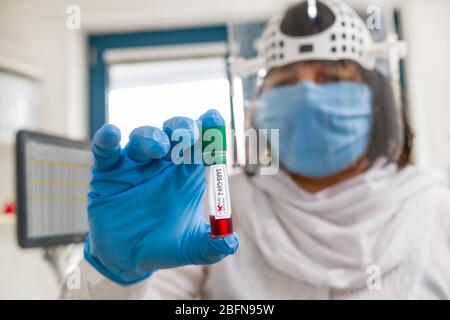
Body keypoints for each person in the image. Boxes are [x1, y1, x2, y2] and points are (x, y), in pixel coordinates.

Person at [62, 0, 450, 299]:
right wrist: (113, 275)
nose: (308, 97)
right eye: (285, 85)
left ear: (377, 103)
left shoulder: (436, 209)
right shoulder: (218, 209)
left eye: (331, 78)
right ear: (259, 108)